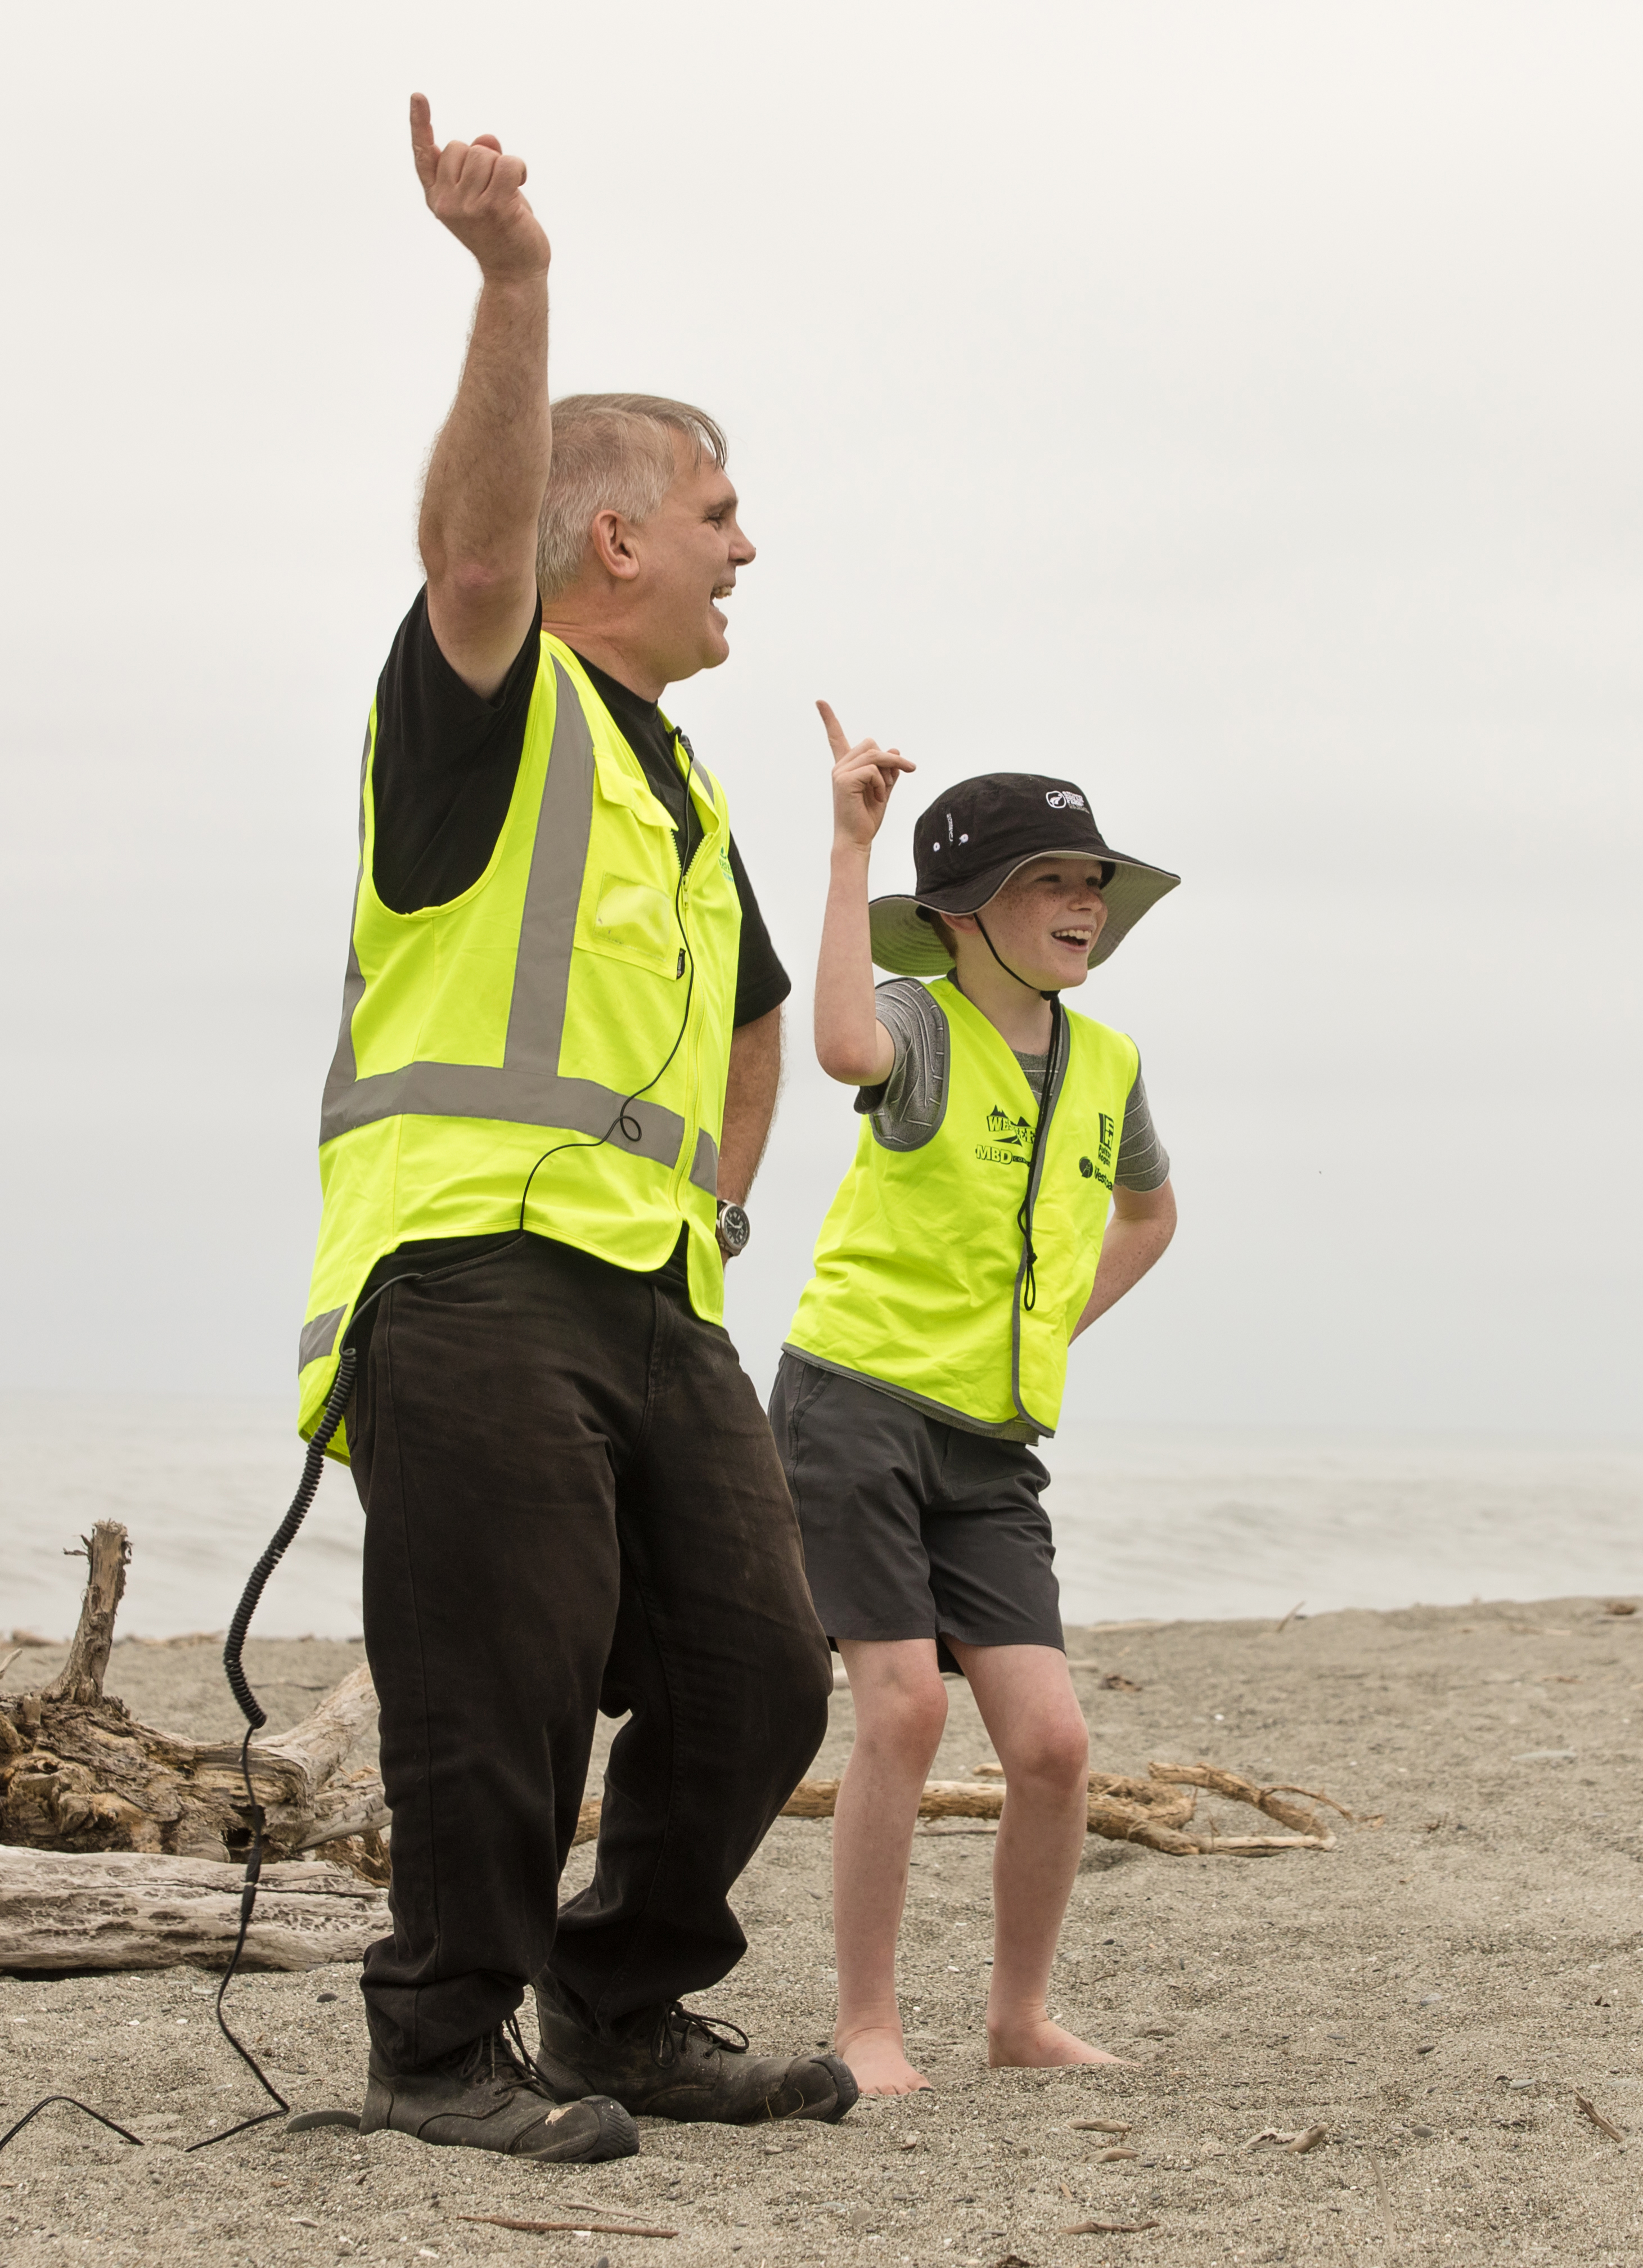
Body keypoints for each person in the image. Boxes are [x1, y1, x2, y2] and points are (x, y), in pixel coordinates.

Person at [296, 98, 850, 2163]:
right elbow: (468, 545)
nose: (744, 547)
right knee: (500, 1679)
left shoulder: (687, 786)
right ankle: (440, 2046)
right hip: (458, 1267)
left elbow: (759, 1031)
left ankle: (619, 2008)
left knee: (762, 1670)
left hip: (652, 1291)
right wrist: (517, 280)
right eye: (718, 510)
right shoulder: (487, 702)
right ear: (612, 535)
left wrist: (716, 1195)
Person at [767, 705, 1181, 2095]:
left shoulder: (1109, 1063)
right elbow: (833, 1046)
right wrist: (845, 847)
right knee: (899, 1714)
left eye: (1092, 883)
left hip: (993, 1444)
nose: (1083, 903)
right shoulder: (917, 1025)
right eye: (1049, 882)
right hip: (857, 1407)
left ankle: (1016, 2019)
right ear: (958, 918)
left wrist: (1046, 1325)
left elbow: (1151, 1216)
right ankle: (867, 2025)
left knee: (1055, 1743)